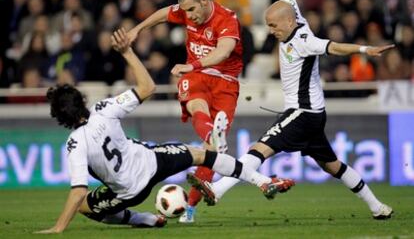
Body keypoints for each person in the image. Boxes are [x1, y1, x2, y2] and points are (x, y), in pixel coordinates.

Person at [35, 28, 294, 234]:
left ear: (60, 117)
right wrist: (127, 52)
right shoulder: (104, 108)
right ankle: (261, 181)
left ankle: (143, 219)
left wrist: (59, 228)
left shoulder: (75, 143)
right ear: (81, 100)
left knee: (84, 207)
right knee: (200, 155)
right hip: (152, 160)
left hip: (129, 190)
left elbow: (79, 190)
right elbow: (148, 87)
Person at [194, 0, 394, 220]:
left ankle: (218, 189)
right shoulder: (291, 12)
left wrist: (366, 49)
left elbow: (333, 47)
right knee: (333, 166)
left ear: (288, 22)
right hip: (312, 115)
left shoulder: (304, 40)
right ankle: (377, 207)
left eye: (274, 26)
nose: (271, 31)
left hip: (302, 112)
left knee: (259, 148)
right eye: (268, 26)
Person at [126, 0, 244, 223]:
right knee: (196, 107)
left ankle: (190, 207)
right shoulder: (186, 10)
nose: (188, 16)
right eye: (184, 11)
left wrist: (191, 65)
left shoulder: (227, 19)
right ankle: (213, 136)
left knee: (211, 155)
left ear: (204, 1)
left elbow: (223, 52)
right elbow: (162, 14)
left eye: (191, 10)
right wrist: (137, 29)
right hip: (197, 77)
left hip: (225, 81)